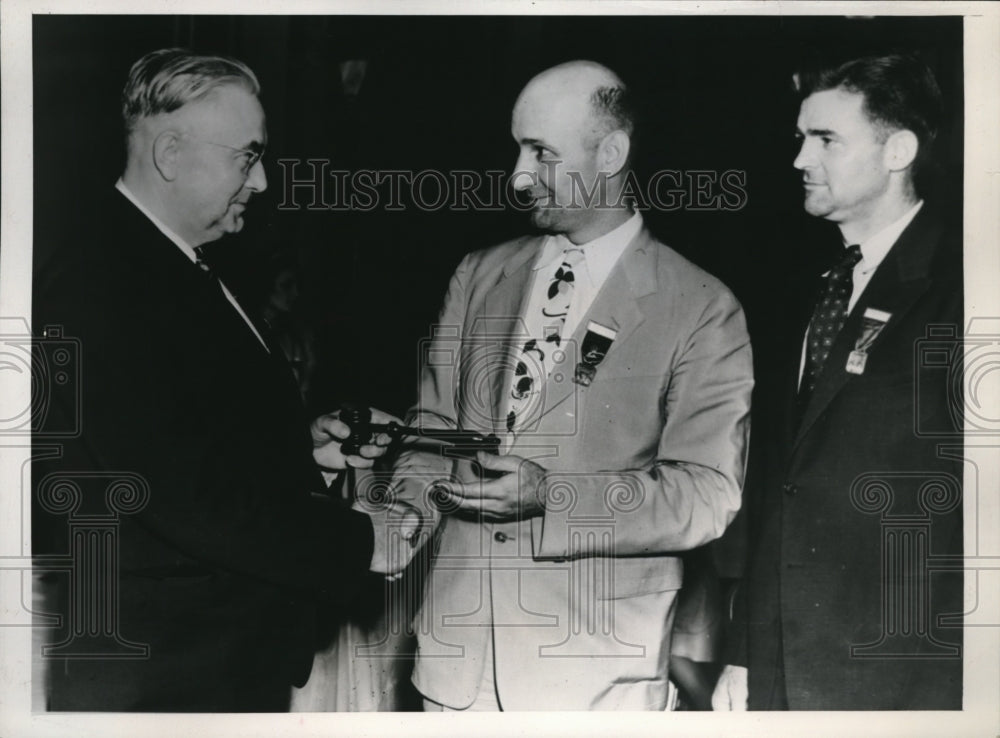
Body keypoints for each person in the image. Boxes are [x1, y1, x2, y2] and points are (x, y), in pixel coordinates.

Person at [32, 48, 419, 712]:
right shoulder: (102, 285)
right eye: (247, 156)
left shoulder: (175, 264)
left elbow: (187, 436)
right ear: (171, 155)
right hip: (162, 680)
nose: (264, 181)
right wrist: (360, 540)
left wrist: (306, 449)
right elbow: (183, 493)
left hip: (210, 662)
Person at [392, 60, 753, 711]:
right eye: (517, 149)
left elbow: (707, 494)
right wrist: (397, 517)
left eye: (541, 153)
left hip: (594, 680)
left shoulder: (702, 305)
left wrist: (552, 499)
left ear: (610, 152)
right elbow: (435, 432)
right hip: (456, 667)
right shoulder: (477, 275)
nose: (518, 177)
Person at [712, 53, 963, 711]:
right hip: (787, 672)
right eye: (800, 138)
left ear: (897, 150)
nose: (800, 159)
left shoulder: (963, 289)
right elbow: (779, 491)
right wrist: (744, 653)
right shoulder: (811, 293)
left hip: (904, 681)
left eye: (825, 139)